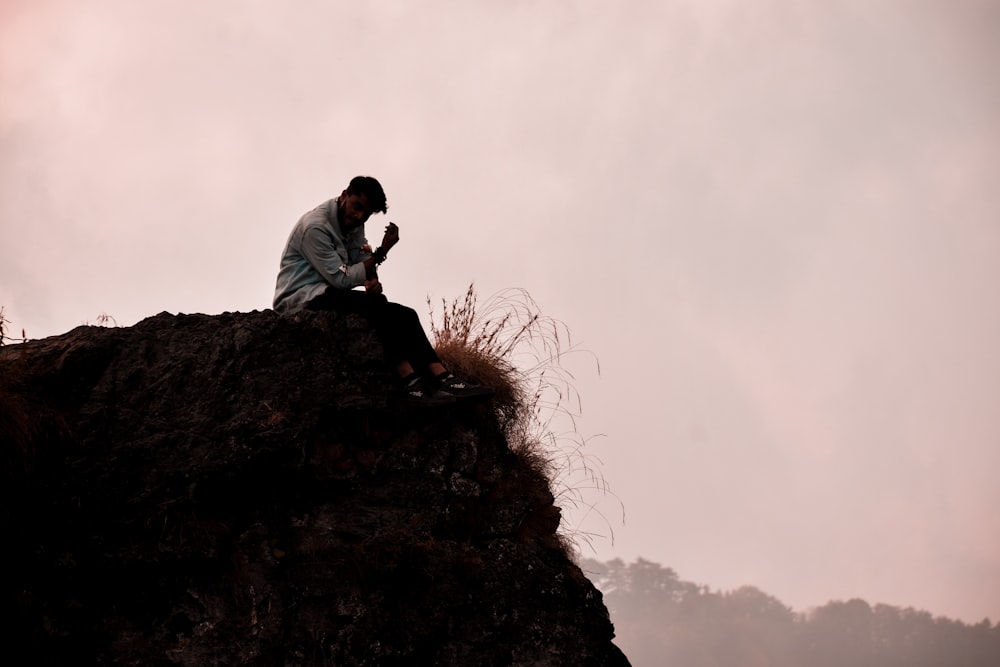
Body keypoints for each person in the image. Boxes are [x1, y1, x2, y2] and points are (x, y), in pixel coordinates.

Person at [273, 175, 492, 406]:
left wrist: (372, 279)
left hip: (326, 292)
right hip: (302, 297)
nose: (359, 217)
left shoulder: (353, 222)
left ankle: (444, 378)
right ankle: (411, 384)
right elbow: (340, 278)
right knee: (378, 308)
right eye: (357, 207)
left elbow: (360, 255)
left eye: (366, 214)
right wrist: (383, 251)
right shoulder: (316, 227)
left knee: (406, 314)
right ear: (345, 194)